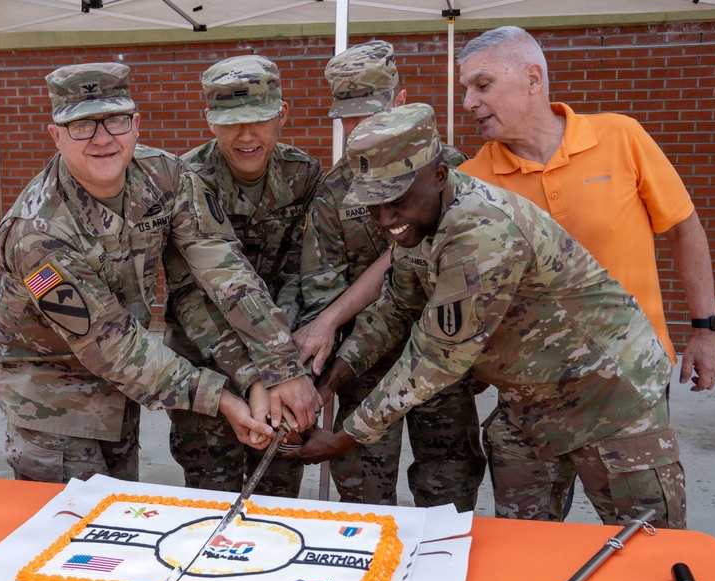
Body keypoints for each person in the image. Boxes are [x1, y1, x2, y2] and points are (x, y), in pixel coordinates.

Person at [289, 103, 686, 529]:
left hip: (608, 398)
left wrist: (348, 437)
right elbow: (394, 309)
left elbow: (437, 358)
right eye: (373, 205)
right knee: (523, 549)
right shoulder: (420, 226)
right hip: (528, 407)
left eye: (397, 200)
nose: (386, 220)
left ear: (439, 176)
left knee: (652, 552)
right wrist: (327, 384)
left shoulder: (482, 233)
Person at [0, 62, 318, 484]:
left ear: (136, 123)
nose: (103, 139)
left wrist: (274, 370)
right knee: (76, 542)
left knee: (120, 520)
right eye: (81, 126)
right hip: (55, 409)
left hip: (123, 394)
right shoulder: (37, 234)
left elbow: (220, 271)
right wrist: (224, 399)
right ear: (55, 135)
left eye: (116, 120)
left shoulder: (165, 178)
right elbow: (112, 346)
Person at [456, 26, 715, 393]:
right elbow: (407, 258)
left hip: (633, 369)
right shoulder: (472, 180)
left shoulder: (621, 137)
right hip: (533, 382)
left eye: (482, 85)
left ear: (533, 79)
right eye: (466, 90)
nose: (468, 102)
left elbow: (683, 229)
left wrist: (705, 328)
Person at [296, 40, 484, 508]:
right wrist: (330, 369)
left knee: (448, 493)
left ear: (400, 101)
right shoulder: (334, 193)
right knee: (363, 501)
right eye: (350, 118)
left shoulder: (450, 171)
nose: (360, 129)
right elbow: (323, 287)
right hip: (364, 367)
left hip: (443, 359)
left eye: (371, 113)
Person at [162, 55, 323, 496]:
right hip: (208, 361)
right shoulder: (184, 181)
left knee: (279, 494)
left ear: (282, 115)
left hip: (284, 358)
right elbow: (189, 296)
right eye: (231, 122)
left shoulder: (304, 174)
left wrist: (281, 368)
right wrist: (259, 375)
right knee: (210, 497)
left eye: (259, 119)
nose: (246, 135)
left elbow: (303, 274)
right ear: (210, 122)